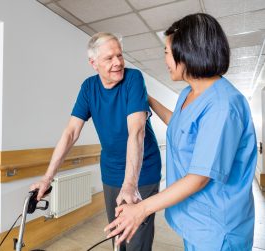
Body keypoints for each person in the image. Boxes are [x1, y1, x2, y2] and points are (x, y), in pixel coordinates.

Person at [105, 13, 257, 251]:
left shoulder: (223, 105)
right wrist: (146, 99)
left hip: (218, 228)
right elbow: (180, 125)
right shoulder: (189, 93)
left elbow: (199, 177)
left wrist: (142, 209)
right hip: (194, 220)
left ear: (187, 52)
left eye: (166, 52)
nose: (164, 59)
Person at [30, 32, 161, 251]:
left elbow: (136, 132)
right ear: (94, 63)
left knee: (136, 238)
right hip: (111, 170)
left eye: (119, 55)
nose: (118, 62)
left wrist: (130, 184)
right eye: (109, 58)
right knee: (118, 236)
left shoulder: (133, 79)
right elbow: (71, 132)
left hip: (143, 171)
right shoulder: (89, 88)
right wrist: (47, 178)